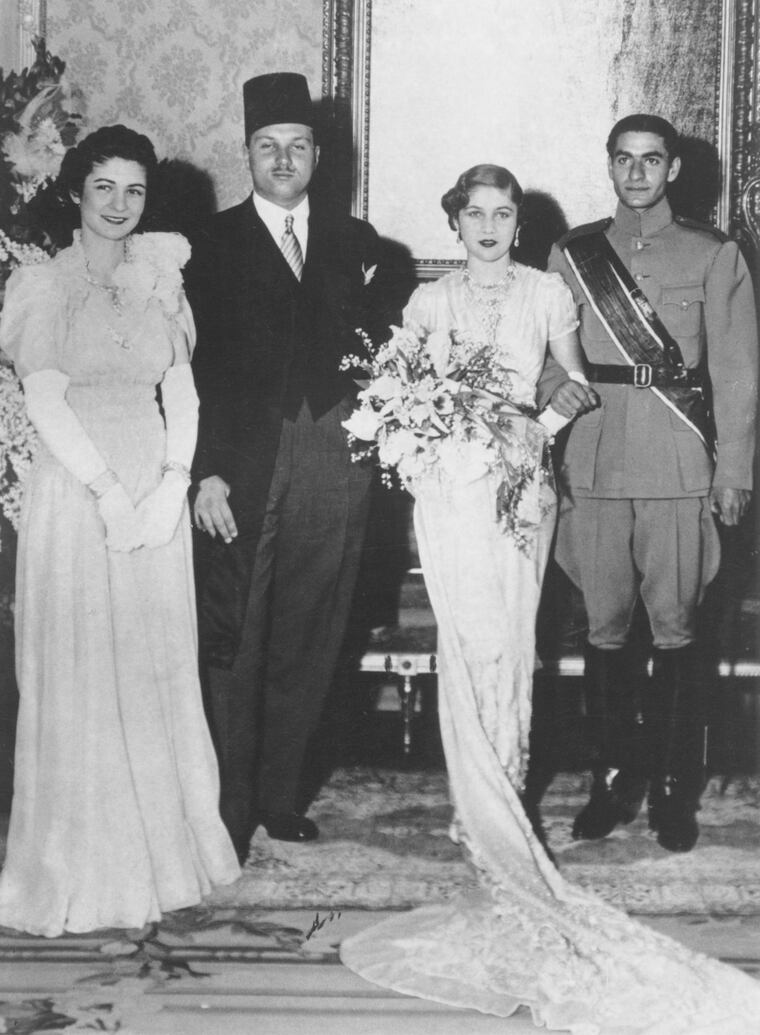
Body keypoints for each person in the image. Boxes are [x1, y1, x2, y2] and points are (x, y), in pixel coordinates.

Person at [339, 163, 760, 1033]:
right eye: (475, 214)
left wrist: (538, 424)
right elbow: (392, 395)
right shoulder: (427, 305)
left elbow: (573, 383)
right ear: (453, 222)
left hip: (519, 489)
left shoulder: (546, 295)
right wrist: (432, 429)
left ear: (518, 225)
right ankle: (474, 811)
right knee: (463, 642)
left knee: (512, 648)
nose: (489, 226)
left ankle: (505, 801)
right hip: (449, 492)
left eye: (504, 214)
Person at [0, 125, 240, 938]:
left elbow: (184, 389)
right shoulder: (42, 283)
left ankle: (164, 859)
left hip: (151, 477)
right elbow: (46, 400)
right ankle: (83, 869)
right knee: (84, 668)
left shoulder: (161, 276)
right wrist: (108, 494)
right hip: (77, 486)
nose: (121, 205)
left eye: (135, 190)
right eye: (105, 189)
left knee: (152, 664)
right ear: (75, 192)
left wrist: (171, 484)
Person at [187, 73, 396, 861]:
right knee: (235, 632)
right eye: (267, 146)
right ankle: (227, 806)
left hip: (332, 454)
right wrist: (204, 472)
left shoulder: (357, 243)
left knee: (314, 627)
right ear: (246, 152)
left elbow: (381, 350)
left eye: (297, 146)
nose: (283, 159)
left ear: (318, 155)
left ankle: (279, 796)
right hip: (241, 460)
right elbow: (188, 370)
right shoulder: (209, 244)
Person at [544, 114, 758, 853]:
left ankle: (672, 786)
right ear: (609, 166)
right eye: (624, 160)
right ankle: (610, 777)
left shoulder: (713, 252)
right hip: (596, 460)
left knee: (677, 630)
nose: (637, 173)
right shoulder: (573, 254)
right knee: (602, 631)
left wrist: (733, 472)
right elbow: (548, 353)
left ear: (672, 170)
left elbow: (735, 374)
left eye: (651, 160)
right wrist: (550, 402)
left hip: (677, 465)